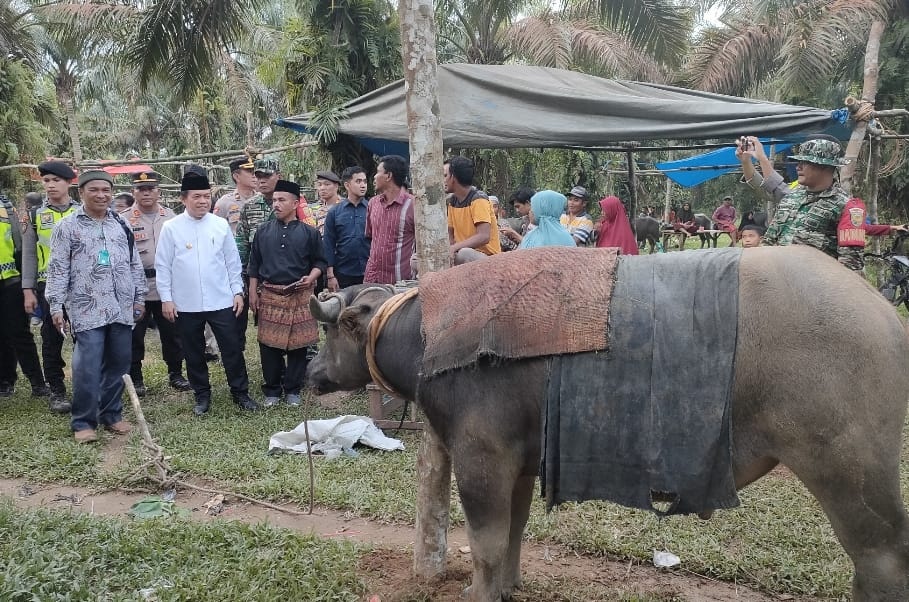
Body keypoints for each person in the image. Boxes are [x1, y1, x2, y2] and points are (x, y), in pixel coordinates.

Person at [45, 170, 147, 443]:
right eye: (95, 190)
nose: (102, 195)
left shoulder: (121, 224)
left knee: (119, 363)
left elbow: (134, 263)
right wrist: (56, 305)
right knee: (87, 366)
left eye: (106, 190)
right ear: (82, 193)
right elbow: (57, 269)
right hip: (86, 307)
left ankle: (111, 414)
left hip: (121, 306)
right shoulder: (67, 227)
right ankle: (83, 421)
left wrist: (139, 297)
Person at [156, 171, 259, 416]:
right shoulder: (171, 228)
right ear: (184, 199)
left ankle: (240, 392)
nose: (203, 201)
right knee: (193, 351)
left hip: (221, 299)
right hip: (185, 302)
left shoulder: (220, 224)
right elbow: (163, 265)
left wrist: (237, 292)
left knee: (232, 347)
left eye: (206, 196)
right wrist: (166, 299)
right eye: (196, 197)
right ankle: (202, 395)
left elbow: (232, 262)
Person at [248, 180, 326, 407]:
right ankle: (272, 389)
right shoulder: (263, 231)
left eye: (282, 200)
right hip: (270, 294)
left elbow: (320, 261)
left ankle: (293, 389)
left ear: (295, 203)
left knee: (298, 346)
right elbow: (254, 264)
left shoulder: (310, 233)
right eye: (274, 200)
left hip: (299, 295)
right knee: (268, 345)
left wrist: (311, 278)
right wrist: (253, 292)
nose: (276, 204)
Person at [737, 135, 862, 270]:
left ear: (826, 167)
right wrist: (748, 161)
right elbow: (769, 184)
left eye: (806, 162)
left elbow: (850, 266)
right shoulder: (793, 196)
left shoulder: (846, 207)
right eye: (799, 162)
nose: (798, 167)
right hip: (775, 279)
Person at [120, 171, 192, 396]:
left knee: (172, 333)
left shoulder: (171, 216)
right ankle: (136, 377)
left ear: (158, 191)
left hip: (167, 286)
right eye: (141, 189)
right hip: (136, 286)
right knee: (135, 334)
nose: (146, 193)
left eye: (150, 188)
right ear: (134, 192)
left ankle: (175, 373)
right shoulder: (123, 219)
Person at [22, 160, 81, 412]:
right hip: (48, 287)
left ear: (69, 183)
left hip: (81, 286)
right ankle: (57, 390)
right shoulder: (35, 215)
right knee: (50, 339)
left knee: (85, 337)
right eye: (46, 181)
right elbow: (29, 255)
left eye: (56, 180)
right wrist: (27, 290)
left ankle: (87, 386)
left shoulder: (82, 212)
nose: (50, 185)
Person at [0, 191, 48, 399]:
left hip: (11, 281)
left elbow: (20, 244)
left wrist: (26, 285)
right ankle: (5, 381)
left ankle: (37, 382)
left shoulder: (6, 207)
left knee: (20, 334)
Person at [363, 155, 415, 285]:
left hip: (400, 284)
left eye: (378, 172)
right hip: (372, 280)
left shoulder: (413, 205)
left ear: (388, 176)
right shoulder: (373, 203)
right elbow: (370, 236)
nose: (374, 177)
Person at [444, 156, 501, 264]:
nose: (443, 180)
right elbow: (450, 235)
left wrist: (455, 247)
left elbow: (484, 236)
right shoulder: (452, 202)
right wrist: (450, 249)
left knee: (464, 254)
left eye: (445, 175)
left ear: (453, 177)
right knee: (416, 259)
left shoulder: (478, 199)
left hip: (487, 258)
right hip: (460, 252)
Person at [323, 166, 370, 291]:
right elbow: (328, 244)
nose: (363, 185)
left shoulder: (372, 209)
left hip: (369, 272)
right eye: (358, 181)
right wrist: (330, 276)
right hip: (343, 273)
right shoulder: (335, 212)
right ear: (347, 185)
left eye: (365, 181)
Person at [213, 156, 259, 235]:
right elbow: (215, 231)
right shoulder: (224, 203)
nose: (254, 175)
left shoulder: (262, 199)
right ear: (236, 176)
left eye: (255, 172)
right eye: (250, 172)